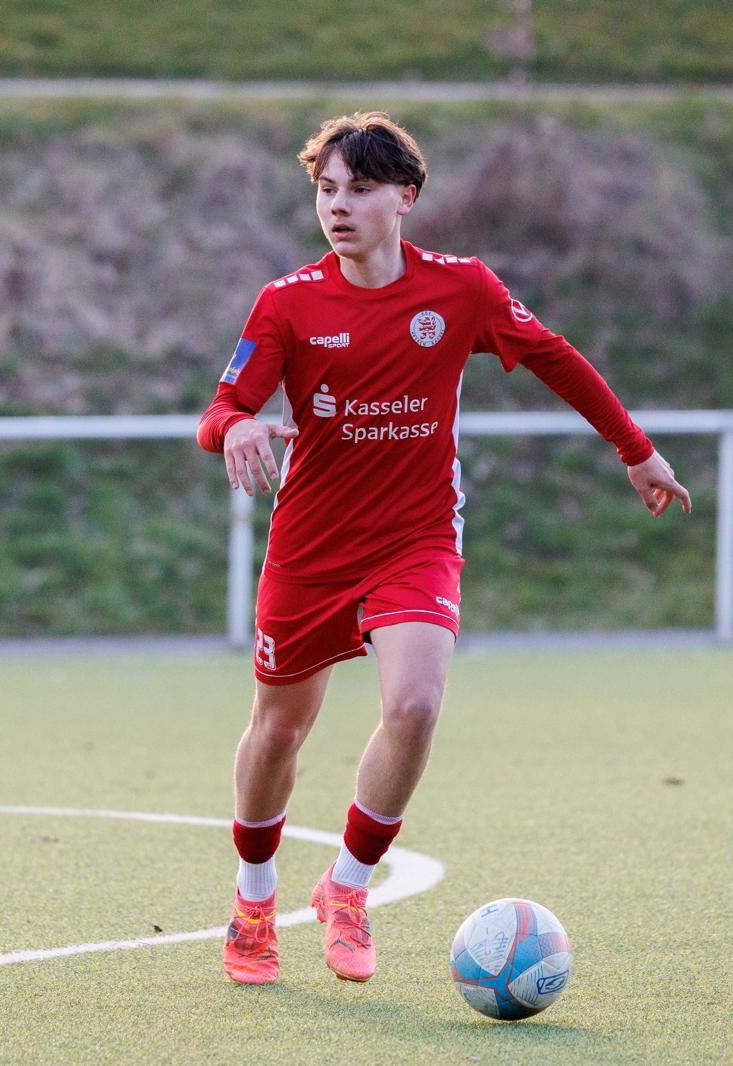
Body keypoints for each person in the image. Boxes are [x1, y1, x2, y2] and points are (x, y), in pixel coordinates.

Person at [195, 112, 690, 986]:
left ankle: (347, 889)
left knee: (417, 705)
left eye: (359, 190)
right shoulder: (288, 302)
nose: (337, 207)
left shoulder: (461, 289)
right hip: (310, 548)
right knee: (278, 732)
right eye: (326, 190)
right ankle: (254, 903)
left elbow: (555, 357)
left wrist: (635, 449)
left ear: (406, 199)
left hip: (416, 538)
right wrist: (235, 427)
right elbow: (222, 408)